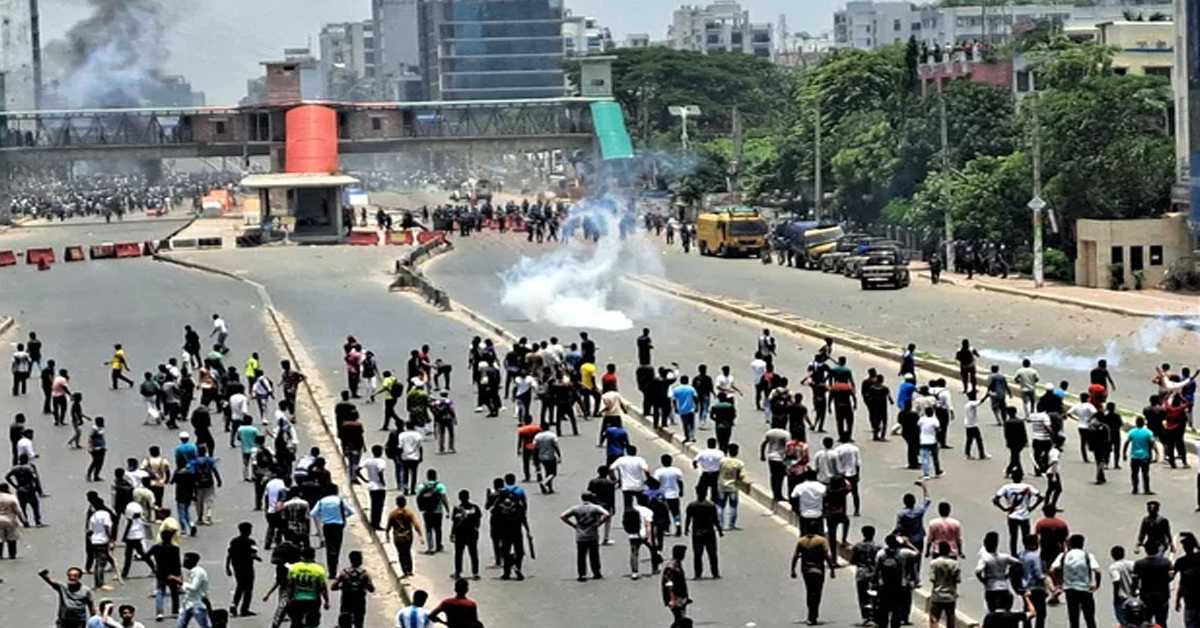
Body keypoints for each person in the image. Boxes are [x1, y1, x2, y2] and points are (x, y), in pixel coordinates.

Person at [1050, 534, 1102, 628]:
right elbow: (1097, 571)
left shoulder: (1063, 555)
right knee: (1089, 617)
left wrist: (1058, 584)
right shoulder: (1087, 555)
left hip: (1070, 590)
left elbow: (1052, 570)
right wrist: (1097, 585)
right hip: (1085, 589)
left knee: (1073, 618)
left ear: (1070, 544)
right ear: (1082, 544)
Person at [791, 527, 837, 626]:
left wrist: (793, 570)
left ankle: (811, 614)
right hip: (818, 571)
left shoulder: (801, 541)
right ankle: (813, 614)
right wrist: (832, 569)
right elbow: (827, 556)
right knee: (817, 593)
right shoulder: (821, 541)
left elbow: (795, 556)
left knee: (809, 591)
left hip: (806, 571)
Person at [560, 492, 611, 581]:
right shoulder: (595, 507)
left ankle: (582, 574)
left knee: (581, 555)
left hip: (580, 535)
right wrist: (598, 523)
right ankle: (596, 572)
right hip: (592, 534)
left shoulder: (576, 508)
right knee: (594, 555)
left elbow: (563, 516)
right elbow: (606, 514)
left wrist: (573, 525)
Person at [993, 470, 1043, 556]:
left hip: (1012, 516)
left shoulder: (1006, 487)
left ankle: (1013, 554)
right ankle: (1027, 554)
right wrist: (1031, 507)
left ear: (1012, 477)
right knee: (1026, 537)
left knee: (1013, 537)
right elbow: (1040, 497)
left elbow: (995, 499)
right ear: (1021, 477)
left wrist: (1004, 509)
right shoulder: (1028, 487)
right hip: (1024, 516)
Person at [875, 534, 921, 628]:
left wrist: (875, 583)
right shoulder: (903, 552)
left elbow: (877, 569)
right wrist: (908, 543)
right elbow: (917, 553)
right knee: (896, 611)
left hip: (884, 586)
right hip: (899, 586)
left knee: (884, 610)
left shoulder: (881, 553)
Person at [286, 546, 330, 628]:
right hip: (313, 601)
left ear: (301, 556)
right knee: (312, 623)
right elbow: (323, 587)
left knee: (296, 622)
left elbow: (290, 585)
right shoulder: (318, 569)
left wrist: (288, 599)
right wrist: (326, 601)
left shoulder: (294, 568)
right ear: (313, 556)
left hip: (297, 600)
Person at [684, 487, 722, 579]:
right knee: (712, 554)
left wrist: (686, 529)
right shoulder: (711, 505)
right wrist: (720, 530)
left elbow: (688, 518)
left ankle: (698, 574)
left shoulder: (692, 505)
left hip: (697, 533)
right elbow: (715, 520)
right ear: (706, 493)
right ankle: (715, 573)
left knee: (697, 554)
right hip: (709, 532)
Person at [976, 530, 1019, 611]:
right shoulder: (1005, 557)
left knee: (992, 612)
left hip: (991, 588)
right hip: (1004, 587)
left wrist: (983, 580)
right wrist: (1009, 574)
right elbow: (1018, 564)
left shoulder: (985, 558)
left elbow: (978, 571)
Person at [330, 550, 375, 628]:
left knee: (345, 623)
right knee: (359, 623)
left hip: (346, 602)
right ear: (360, 560)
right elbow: (371, 589)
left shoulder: (344, 573)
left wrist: (342, 587)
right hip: (359, 602)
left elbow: (333, 587)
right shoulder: (364, 574)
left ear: (350, 560)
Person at [226, 521, 262, 617]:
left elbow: (229, 554)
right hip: (247, 567)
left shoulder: (234, 541)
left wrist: (227, 567)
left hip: (237, 567)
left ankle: (234, 604)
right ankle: (244, 609)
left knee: (240, 586)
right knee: (248, 589)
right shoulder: (251, 542)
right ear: (249, 531)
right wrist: (257, 558)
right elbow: (253, 553)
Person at [1132, 541, 1172, 627]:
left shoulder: (1139, 564)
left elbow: (1135, 580)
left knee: (1146, 621)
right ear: (1157, 549)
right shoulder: (1166, 562)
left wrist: (1133, 593)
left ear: (1145, 550)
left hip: (1146, 597)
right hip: (1162, 597)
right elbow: (1170, 577)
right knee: (1161, 621)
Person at [385, 496, 422, 577]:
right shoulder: (409, 513)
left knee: (401, 553)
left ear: (397, 503)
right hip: (408, 537)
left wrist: (387, 536)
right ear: (405, 503)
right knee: (408, 552)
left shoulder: (393, 514)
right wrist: (420, 535)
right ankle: (410, 570)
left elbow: (388, 527)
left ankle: (404, 570)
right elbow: (415, 524)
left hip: (398, 538)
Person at [415, 469, 450, 554]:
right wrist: (448, 510)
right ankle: (438, 545)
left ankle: (430, 547)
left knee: (428, 529)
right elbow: (444, 498)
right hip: (438, 511)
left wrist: (421, 507)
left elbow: (418, 498)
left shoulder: (422, 486)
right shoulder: (440, 486)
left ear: (427, 476)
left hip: (427, 511)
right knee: (438, 529)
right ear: (435, 476)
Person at [450, 490, 482, 580]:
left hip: (461, 534)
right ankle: (475, 572)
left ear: (459, 498)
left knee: (459, 554)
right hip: (471, 534)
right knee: (473, 553)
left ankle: (458, 572)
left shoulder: (457, 509)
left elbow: (455, 523)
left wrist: (452, 533)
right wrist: (476, 528)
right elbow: (478, 520)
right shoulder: (475, 508)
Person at [929, 541, 961, 628]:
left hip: (937, 594)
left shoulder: (934, 563)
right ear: (949, 551)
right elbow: (957, 580)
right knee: (950, 618)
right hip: (950, 595)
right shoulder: (955, 564)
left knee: (934, 618)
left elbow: (932, 579)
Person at [1123, 416, 1157, 495]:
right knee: (1145, 474)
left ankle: (1135, 488)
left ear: (1136, 423)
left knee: (1134, 473)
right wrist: (1157, 453)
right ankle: (1147, 489)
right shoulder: (1148, 432)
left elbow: (1126, 443)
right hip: (1145, 456)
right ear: (1144, 423)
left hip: (1134, 456)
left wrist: (1124, 453)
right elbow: (1153, 443)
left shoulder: (1132, 432)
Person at [357, 445, 388, 530]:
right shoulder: (381, 462)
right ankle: (377, 524)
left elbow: (357, 470)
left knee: (374, 505)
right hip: (380, 487)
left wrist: (365, 480)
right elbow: (380, 472)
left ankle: (373, 522)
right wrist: (382, 481)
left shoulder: (368, 461)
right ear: (380, 452)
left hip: (371, 486)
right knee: (379, 506)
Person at [1173, 532, 1200, 628]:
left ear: (1184, 548)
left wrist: (1177, 600)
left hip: (1190, 602)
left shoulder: (1181, 562)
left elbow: (1181, 583)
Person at [177, 552, 211, 628]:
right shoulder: (192, 572)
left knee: (204, 626)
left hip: (198, 604)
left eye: (186, 560)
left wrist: (180, 582)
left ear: (192, 561)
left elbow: (193, 587)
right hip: (188, 604)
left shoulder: (199, 572)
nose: (183, 562)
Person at [661, 544, 691, 625]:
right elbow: (669, 584)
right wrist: (672, 599)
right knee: (680, 620)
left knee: (680, 619)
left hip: (680, 597)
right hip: (675, 597)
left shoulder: (677, 564)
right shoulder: (671, 567)